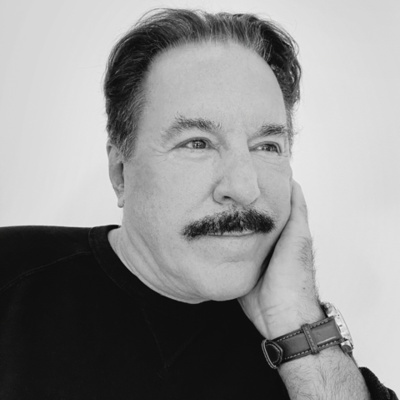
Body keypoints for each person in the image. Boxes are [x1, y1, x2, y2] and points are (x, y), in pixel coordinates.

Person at [0, 8, 397, 400]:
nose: (244, 188)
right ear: (121, 173)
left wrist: (298, 325)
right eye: (197, 143)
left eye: (267, 146)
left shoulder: (303, 357)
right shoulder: (11, 278)